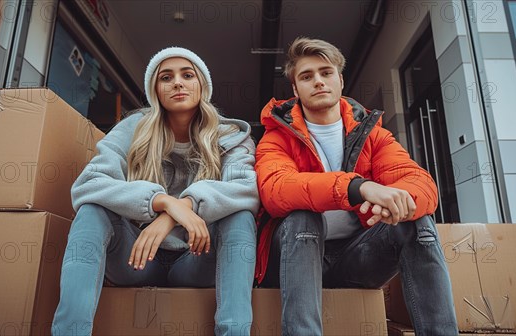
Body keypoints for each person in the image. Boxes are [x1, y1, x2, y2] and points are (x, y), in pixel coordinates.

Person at [254, 37, 458, 335]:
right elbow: (276, 191)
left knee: (417, 220)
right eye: (307, 76)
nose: (318, 82)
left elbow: (420, 184)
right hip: (294, 258)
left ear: (340, 80)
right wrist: (358, 188)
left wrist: (398, 203)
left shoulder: (374, 135)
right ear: (295, 89)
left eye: (326, 73)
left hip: (357, 258)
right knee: (302, 216)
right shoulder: (276, 137)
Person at [52, 47, 259, 336]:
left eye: (187, 75)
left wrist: (182, 207)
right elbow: (89, 184)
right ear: (155, 90)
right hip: (136, 256)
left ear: (202, 86)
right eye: (166, 77)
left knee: (241, 219)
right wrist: (160, 202)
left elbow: (247, 190)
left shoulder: (231, 136)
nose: (177, 83)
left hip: (198, 257)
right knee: (91, 211)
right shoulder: (132, 129)